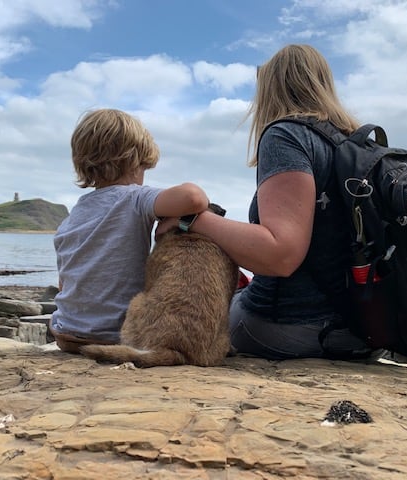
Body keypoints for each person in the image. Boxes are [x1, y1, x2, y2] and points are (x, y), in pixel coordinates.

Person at [156, 44, 374, 360]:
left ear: (271, 87)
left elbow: (279, 255)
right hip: (363, 328)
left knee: (186, 312)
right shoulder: (355, 144)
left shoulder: (287, 135)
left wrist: (193, 220)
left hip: (293, 325)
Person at [50, 108, 209, 353]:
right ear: (134, 161)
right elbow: (194, 197)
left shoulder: (73, 216)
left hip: (66, 332)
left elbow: (65, 283)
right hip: (116, 336)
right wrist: (174, 220)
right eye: (145, 168)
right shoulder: (135, 197)